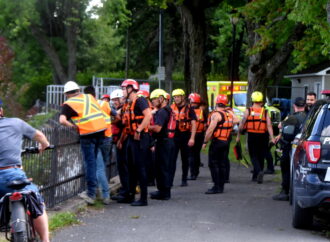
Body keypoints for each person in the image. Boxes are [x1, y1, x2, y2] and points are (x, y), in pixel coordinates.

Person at [0, 99, 50, 242]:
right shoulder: (16, 123)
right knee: (36, 202)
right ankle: (45, 240)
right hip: (12, 173)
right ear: (1, 111)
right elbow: (40, 136)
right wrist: (44, 145)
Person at [59, 81, 107, 205]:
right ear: (78, 90)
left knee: (89, 162)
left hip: (87, 134)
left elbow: (62, 120)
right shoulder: (89, 97)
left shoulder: (68, 103)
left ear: (66, 94)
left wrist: (74, 127)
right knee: (94, 161)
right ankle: (96, 190)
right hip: (101, 131)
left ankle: (91, 193)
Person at [119, 79, 152, 206]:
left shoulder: (140, 100)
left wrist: (139, 129)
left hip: (141, 137)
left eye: (123, 89)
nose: (122, 91)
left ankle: (143, 199)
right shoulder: (128, 103)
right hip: (132, 138)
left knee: (140, 167)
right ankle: (131, 195)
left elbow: (148, 115)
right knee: (131, 167)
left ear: (130, 89)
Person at [83, 86, 117, 205]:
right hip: (108, 138)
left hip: (96, 139)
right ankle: (99, 191)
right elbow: (115, 114)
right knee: (102, 166)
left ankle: (105, 195)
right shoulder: (104, 103)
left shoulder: (85, 106)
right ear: (95, 94)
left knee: (98, 168)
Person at [236, 91, 275, 184]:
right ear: (261, 100)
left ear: (252, 100)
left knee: (253, 155)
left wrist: (238, 136)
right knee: (261, 155)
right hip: (263, 136)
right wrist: (272, 137)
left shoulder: (248, 111)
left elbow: (242, 124)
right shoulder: (265, 112)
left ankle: (259, 171)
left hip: (252, 135)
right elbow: (269, 125)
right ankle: (256, 176)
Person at [202, 94, 238, 194]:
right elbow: (237, 120)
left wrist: (205, 142)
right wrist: (229, 110)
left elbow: (210, 130)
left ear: (216, 102)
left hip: (217, 142)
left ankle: (216, 186)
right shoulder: (229, 115)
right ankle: (221, 186)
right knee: (222, 164)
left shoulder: (216, 115)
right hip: (226, 141)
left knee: (213, 164)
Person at [273, 97, 306, 201]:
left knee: (286, 168)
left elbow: (281, 127)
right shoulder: (309, 116)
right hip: (304, 148)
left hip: (291, 147)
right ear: (304, 106)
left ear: (294, 106)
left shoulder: (291, 118)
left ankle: (285, 191)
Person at [149, 89, 175, 200]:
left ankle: (164, 192)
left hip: (163, 142)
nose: (153, 102)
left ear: (161, 98)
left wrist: (146, 127)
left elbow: (157, 128)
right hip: (169, 141)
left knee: (161, 167)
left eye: (154, 99)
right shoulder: (169, 110)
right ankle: (164, 191)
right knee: (165, 166)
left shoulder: (162, 112)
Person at [171, 89, 197, 187]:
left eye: (178, 96)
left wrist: (192, 138)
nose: (176, 98)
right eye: (175, 97)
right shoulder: (171, 108)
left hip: (185, 136)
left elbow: (194, 124)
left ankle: (184, 179)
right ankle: (170, 180)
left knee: (185, 159)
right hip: (174, 136)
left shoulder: (189, 109)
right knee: (172, 159)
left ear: (182, 97)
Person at [187, 93, 206, 180]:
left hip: (191, 134)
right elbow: (205, 124)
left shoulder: (188, 111)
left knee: (191, 155)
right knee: (196, 153)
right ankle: (196, 171)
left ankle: (192, 174)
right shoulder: (202, 112)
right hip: (200, 135)